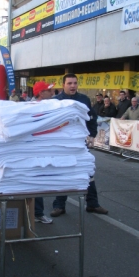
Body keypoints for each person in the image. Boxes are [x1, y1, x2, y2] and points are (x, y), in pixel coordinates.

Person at [51, 73, 108, 216]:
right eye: (69, 83)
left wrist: (92, 135)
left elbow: (91, 118)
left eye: (75, 83)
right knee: (64, 172)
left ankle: (92, 204)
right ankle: (59, 206)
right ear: (63, 84)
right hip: (62, 144)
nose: (72, 86)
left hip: (80, 142)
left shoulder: (84, 99)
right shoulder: (55, 101)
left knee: (88, 171)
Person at [32, 81, 55, 224]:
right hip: (35, 150)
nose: (52, 93)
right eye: (49, 91)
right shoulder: (33, 108)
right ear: (41, 93)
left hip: (43, 149)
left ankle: (34, 212)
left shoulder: (48, 106)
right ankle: (37, 213)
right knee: (36, 180)